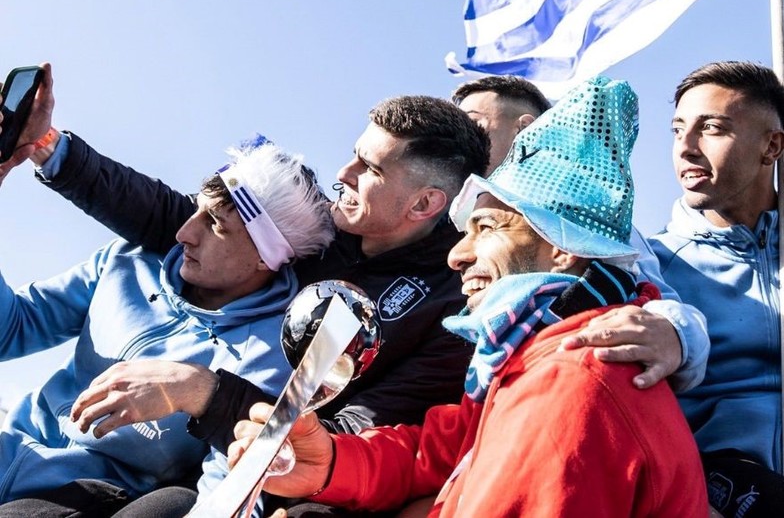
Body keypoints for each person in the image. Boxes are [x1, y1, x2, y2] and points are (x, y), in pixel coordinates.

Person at [230, 76, 709, 518]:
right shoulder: (529, 362)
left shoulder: (574, 383)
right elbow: (435, 453)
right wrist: (330, 462)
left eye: (486, 227)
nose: (458, 255)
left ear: (561, 249)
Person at [0, 134, 335, 512]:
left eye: (215, 225)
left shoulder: (274, 352)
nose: (184, 233)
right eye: (197, 209)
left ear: (267, 257)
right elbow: (11, 329)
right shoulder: (132, 259)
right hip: (13, 444)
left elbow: (228, 486)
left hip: (88, 497)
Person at [650, 61, 784, 518]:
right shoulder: (652, 266)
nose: (686, 148)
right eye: (677, 130)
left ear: (772, 145)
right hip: (718, 468)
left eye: (711, 128)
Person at [452, 75, 709, 391]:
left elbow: (653, 305)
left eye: (474, 128)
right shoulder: (432, 220)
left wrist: (675, 332)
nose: (460, 256)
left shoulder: (593, 223)